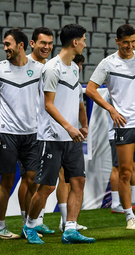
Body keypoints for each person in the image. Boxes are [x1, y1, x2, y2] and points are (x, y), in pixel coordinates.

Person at [86, 24, 135, 230]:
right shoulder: (107, 64)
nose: (130, 46)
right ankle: (129, 215)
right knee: (125, 172)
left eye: (132, 42)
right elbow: (90, 89)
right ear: (117, 42)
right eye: (125, 43)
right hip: (124, 125)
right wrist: (111, 110)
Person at [23, 24, 95, 244]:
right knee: (47, 186)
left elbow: (76, 100)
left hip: (71, 138)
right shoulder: (51, 68)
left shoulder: (74, 68)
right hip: (52, 137)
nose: (84, 43)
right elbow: (48, 105)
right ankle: (29, 226)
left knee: (78, 182)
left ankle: (70, 229)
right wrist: (69, 127)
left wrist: (82, 124)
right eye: (83, 39)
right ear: (74, 42)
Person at [0, 28, 44, 240]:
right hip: (6, 133)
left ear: (21, 45)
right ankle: (1, 227)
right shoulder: (0, 69)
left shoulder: (39, 69)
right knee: (7, 182)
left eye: (8, 44)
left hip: (32, 135)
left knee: (33, 180)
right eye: (4, 44)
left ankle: (28, 226)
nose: (5, 47)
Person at [17, 26, 54, 235]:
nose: (47, 47)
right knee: (29, 178)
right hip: (26, 130)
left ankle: (36, 221)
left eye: (50, 43)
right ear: (32, 44)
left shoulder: (50, 66)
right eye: (43, 43)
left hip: (46, 130)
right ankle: (26, 223)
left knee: (42, 180)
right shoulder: (23, 65)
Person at [57, 54, 89, 231]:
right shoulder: (57, 79)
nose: (80, 67)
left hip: (74, 134)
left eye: (81, 64)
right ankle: (35, 222)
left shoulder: (76, 84)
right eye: (78, 64)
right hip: (56, 135)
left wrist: (84, 125)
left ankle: (68, 222)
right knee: (57, 180)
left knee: (73, 179)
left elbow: (80, 106)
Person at [107, 96, 135, 214]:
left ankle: (134, 200)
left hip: (131, 131)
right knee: (118, 167)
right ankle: (115, 203)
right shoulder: (112, 93)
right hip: (117, 133)